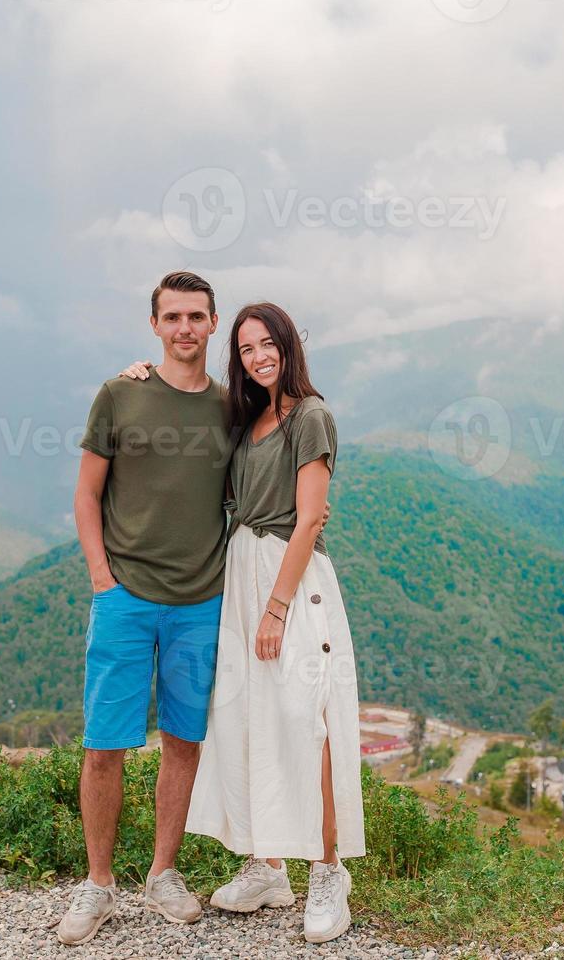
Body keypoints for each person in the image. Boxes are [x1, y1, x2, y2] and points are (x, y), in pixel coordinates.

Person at [58, 273, 331, 946]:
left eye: (196, 317)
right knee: (103, 747)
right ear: (155, 325)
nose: (184, 328)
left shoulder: (228, 410)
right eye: (172, 316)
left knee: (185, 743)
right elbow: (86, 495)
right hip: (123, 597)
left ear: (212, 327)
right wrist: (101, 578)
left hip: (203, 602)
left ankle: (163, 874)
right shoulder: (119, 394)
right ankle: (97, 886)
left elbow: (283, 455)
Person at [121, 300, 365, 944]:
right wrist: (138, 375)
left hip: (289, 577)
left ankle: (329, 872)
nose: (258, 358)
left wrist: (276, 608)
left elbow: (310, 518)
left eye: (267, 346)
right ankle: (267, 864)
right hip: (241, 568)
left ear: (289, 347)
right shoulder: (248, 414)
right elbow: (184, 399)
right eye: (247, 348)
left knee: (304, 720)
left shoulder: (312, 416)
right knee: (246, 719)